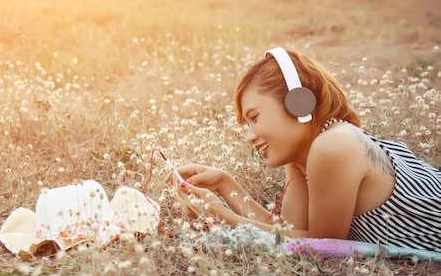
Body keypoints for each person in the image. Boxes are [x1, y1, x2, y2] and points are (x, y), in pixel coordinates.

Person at [166, 47, 441, 252]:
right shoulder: (305, 155)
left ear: (297, 103)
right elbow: (290, 234)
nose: (250, 136)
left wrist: (223, 216)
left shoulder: (334, 146)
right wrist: (225, 185)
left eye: (255, 117)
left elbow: (320, 247)